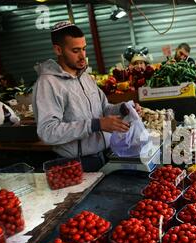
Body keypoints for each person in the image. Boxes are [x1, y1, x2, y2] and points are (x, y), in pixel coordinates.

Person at [33, 22, 141, 172]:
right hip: (77, 165)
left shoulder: (85, 77)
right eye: (75, 50)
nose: (83, 56)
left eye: (84, 49)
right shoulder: (47, 84)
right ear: (58, 50)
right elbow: (48, 131)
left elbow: (104, 109)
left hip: (106, 155)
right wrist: (94, 125)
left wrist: (123, 108)